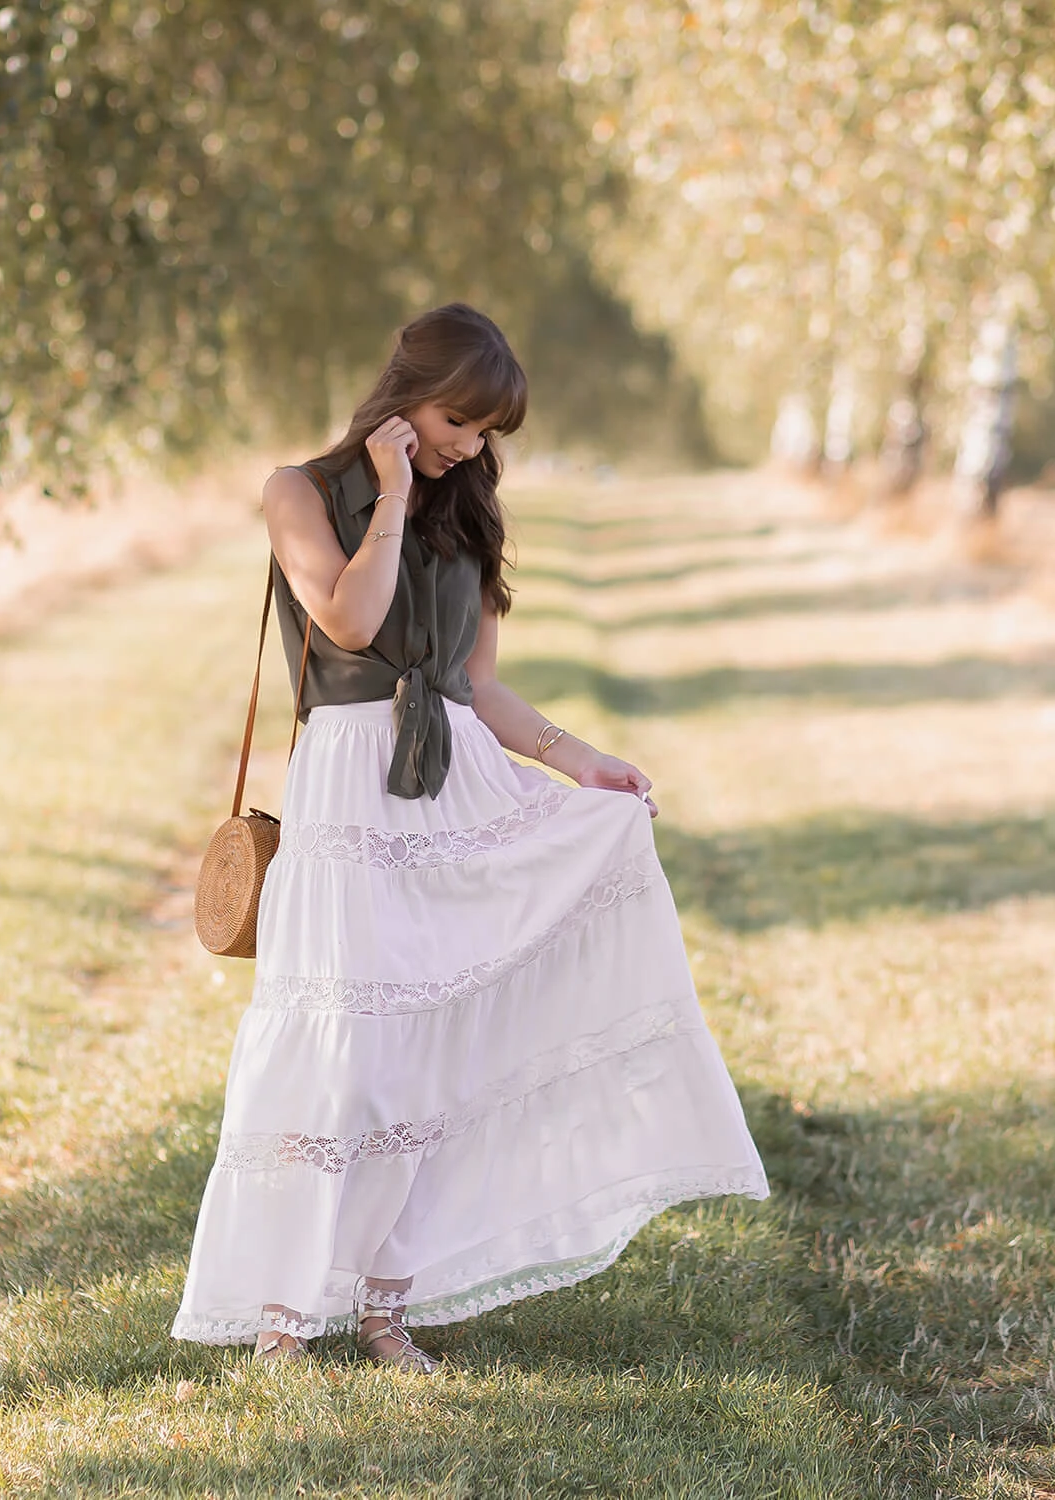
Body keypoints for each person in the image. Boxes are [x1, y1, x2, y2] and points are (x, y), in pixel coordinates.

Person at [171, 303, 768, 1371]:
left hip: (454, 791)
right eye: (460, 419)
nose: (472, 446)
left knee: (433, 1054)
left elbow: (478, 686)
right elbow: (349, 625)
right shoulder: (301, 492)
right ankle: (282, 1312)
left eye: (489, 431)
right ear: (405, 391)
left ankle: (386, 1304)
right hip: (350, 793)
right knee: (342, 1052)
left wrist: (580, 759)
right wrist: (394, 495)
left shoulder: (472, 512)